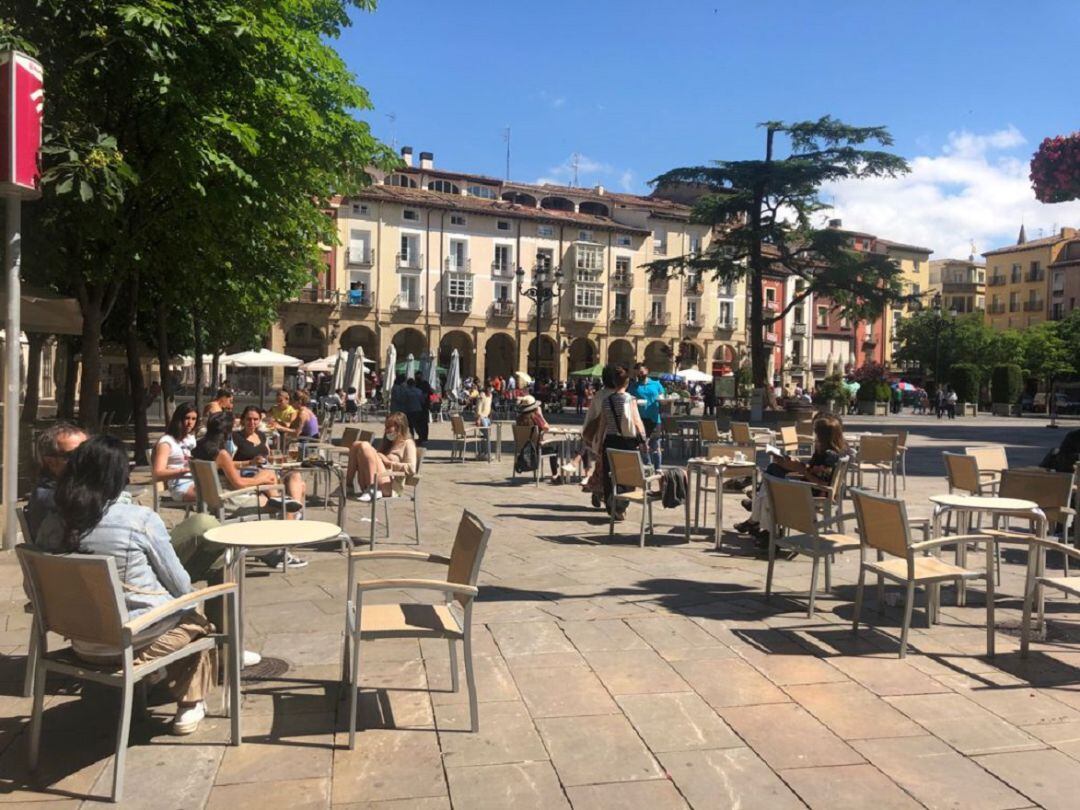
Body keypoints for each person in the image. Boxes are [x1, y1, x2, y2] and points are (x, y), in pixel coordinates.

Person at [35, 436, 216, 735]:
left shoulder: (53, 524)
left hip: (80, 645)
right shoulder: (139, 520)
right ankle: (190, 703)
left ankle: (153, 680)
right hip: (129, 643)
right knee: (194, 620)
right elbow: (181, 584)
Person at [193, 412, 307, 569]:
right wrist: (260, 481)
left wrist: (255, 474)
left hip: (214, 500)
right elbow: (239, 484)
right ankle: (277, 552)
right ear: (226, 432)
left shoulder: (199, 448)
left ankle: (284, 512)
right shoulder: (222, 454)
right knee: (276, 505)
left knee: (269, 479)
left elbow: (229, 472)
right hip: (229, 501)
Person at [736, 413, 848, 547]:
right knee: (773, 472)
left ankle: (762, 524)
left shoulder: (830, 456)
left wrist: (802, 470)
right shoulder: (825, 450)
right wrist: (798, 465)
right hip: (807, 487)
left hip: (813, 492)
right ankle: (762, 526)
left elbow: (823, 484)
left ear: (823, 435)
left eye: (816, 432)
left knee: (770, 489)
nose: (814, 436)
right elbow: (814, 471)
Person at [596, 365, 648, 519]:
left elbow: (603, 424)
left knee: (610, 474)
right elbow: (637, 421)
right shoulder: (630, 399)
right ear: (626, 382)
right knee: (629, 475)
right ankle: (621, 506)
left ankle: (612, 504)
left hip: (610, 440)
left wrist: (599, 443)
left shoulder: (606, 401)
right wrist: (644, 439)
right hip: (628, 442)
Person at [26, 422, 89, 537]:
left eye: (88, 452)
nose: (85, 459)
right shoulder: (50, 496)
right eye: (75, 455)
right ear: (50, 461)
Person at [344, 412, 418, 500]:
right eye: (385, 427)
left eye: (389, 427)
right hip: (378, 480)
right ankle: (348, 485)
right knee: (357, 444)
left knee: (365, 445)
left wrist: (389, 463)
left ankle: (372, 488)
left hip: (390, 487)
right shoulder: (388, 443)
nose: (386, 431)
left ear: (399, 427)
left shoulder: (407, 443)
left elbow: (412, 468)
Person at [152, 403, 200, 505]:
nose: (190, 423)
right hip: (180, 486)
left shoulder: (190, 439)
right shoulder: (167, 442)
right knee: (213, 494)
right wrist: (183, 470)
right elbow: (157, 473)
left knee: (221, 488)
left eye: (194, 419)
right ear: (179, 419)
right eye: (187, 418)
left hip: (194, 481)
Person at [515, 395, 564, 483]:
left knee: (550, 447)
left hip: (522, 448)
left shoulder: (519, 419)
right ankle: (555, 475)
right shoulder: (535, 417)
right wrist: (541, 415)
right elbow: (546, 428)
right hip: (535, 449)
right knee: (553, 448)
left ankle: (553, 472)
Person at [628, 363, 664, 469]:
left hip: (654, 419)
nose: (640, 374)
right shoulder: (633, 386)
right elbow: (630, 399)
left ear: (647, 371)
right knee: (642, 445)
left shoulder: (656, 384)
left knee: (656, 445)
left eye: (641, 372)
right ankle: (647, 465)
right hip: (640, 420)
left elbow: (662, 396)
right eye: (637, 373)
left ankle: (658, 468)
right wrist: (635, 401)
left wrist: (663, 401)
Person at [413, 374, 434, 445]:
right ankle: (423, 437)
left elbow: (431, 392)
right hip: (423, 406)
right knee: (422, 423)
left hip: (420, 406)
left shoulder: (419, 384)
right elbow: (431, 392)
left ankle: (422, 437)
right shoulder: (423, 383)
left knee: (420, 423)